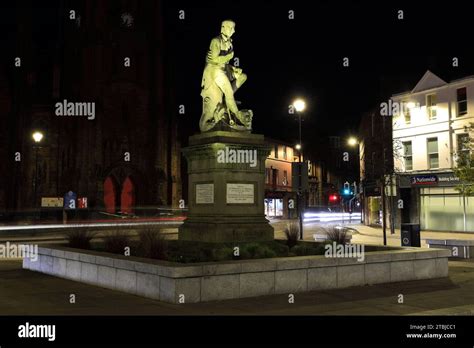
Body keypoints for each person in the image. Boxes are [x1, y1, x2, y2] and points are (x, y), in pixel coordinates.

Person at [199, 20, 249, 132]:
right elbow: (214, 60)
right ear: (223, 28)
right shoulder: (215, 41)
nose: (233, 30)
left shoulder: (230, 43)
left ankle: (228, 101)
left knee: (243, 76)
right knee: (228, 91)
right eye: (231, 27)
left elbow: (224, 62)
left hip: (224, 69)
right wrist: (229, 56)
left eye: (234, 28)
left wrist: (234, 69)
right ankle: (237, 114)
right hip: (214, 70)